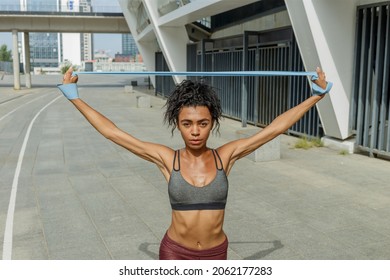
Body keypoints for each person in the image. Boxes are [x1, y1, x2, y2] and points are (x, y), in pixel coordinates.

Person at [57, 67, 332, 260]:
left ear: (212, 123)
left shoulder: (226, 156)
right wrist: (75, 97)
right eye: (187, 124)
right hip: (175, 252)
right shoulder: (167, 159)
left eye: (203, 123)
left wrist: (315, 97)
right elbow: (113, 132)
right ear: (177, 124)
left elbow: (272, 130)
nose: (195, 131)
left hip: (215, 253)